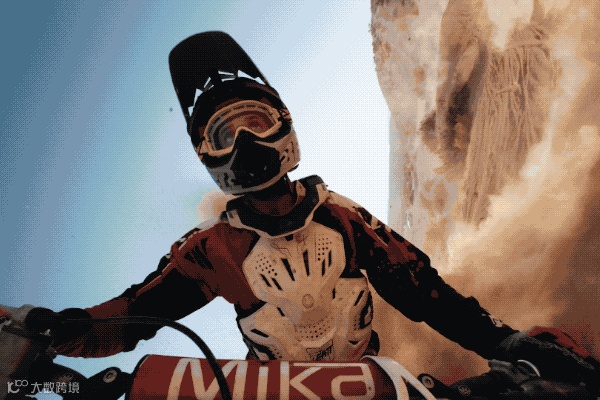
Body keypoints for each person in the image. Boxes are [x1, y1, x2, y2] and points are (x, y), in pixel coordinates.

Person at [29, 31, 598, 391]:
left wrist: (504, 343)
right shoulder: (212, 249)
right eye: (225, 134)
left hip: (367, 382)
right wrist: (52, 331)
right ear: (208, 154)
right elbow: (133, 314)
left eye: (255, 122)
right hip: (270, 389)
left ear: (282, 122)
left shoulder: (343, 219)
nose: (246, 144)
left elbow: (425, 291)